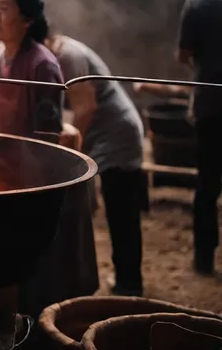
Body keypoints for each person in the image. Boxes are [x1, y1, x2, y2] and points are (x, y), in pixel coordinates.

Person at [0, 0, 98, 316]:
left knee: (28, 278)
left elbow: (46, 140)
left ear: (27, 19)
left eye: (4, 8)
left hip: (29, 185)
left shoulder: (42, 66)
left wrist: (27, 186)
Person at [45, 32, 147, 296]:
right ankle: (126, 279)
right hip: (106, 134)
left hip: (117, 135)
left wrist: (64, 151)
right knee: (119, 210)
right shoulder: (62, 53)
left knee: (122, 213)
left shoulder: (68, 55)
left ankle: (129, 285)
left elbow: (86, 108)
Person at [174, 0, 222, 275]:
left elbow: (184, 55)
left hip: (212, 107)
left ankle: (204, 260)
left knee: (207, 184)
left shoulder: (199, 1)